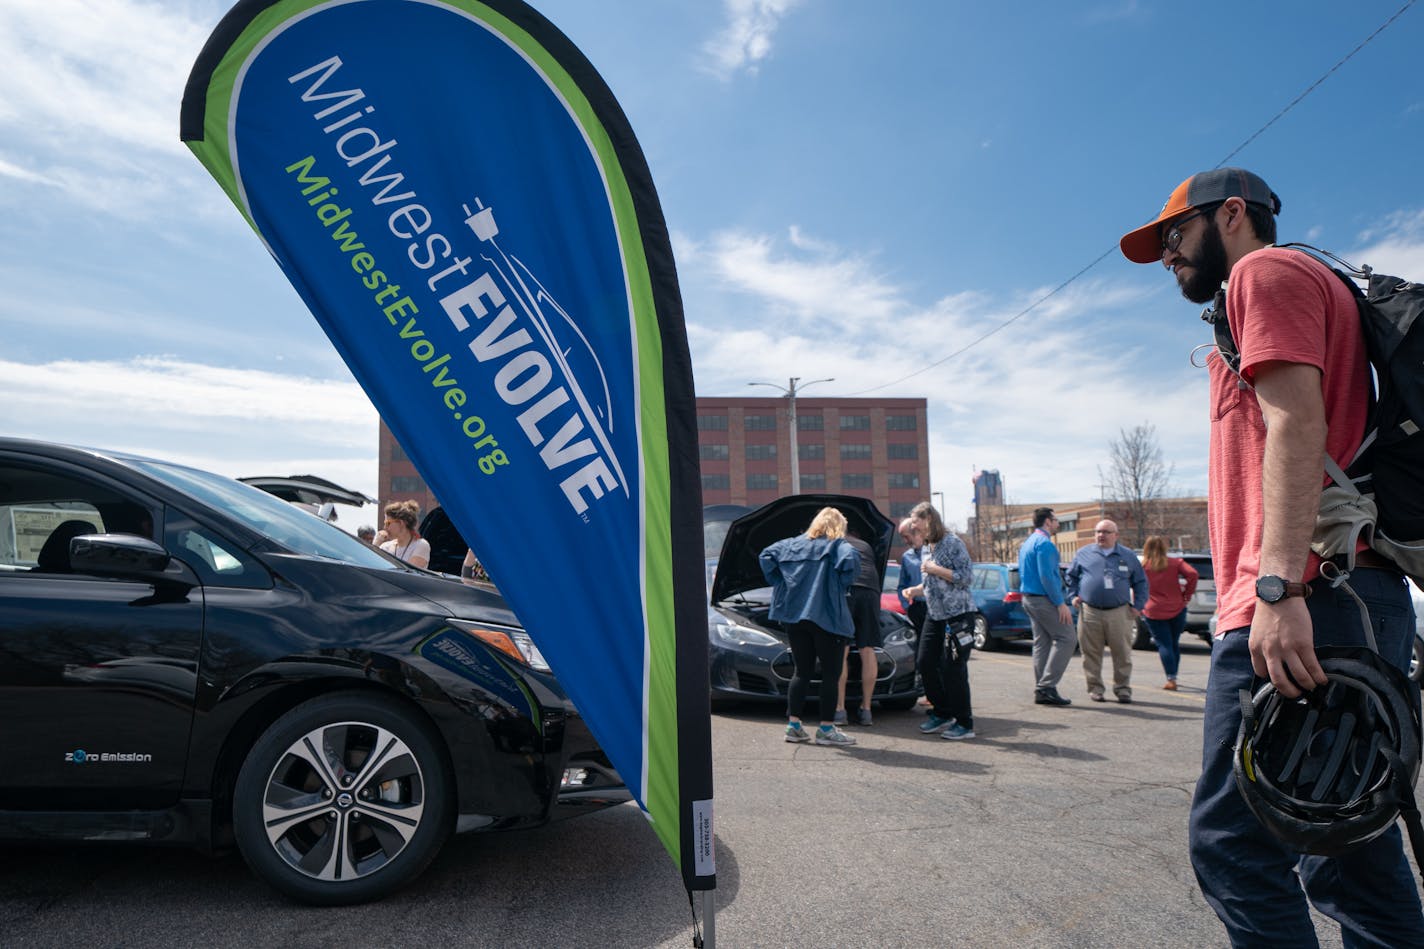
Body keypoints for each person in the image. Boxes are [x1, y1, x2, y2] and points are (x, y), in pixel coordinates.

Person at [1121, 167, 1424, 946]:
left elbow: (1296, 424)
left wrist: (1277, 585)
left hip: (1309, 596)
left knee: (1235, 846)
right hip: (1341, 595)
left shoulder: (1266, 271)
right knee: (1342, 847)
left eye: (1175, 236)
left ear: (1231, 215)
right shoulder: (1282, 289)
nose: (1168, 258)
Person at [759, 506, 859, 747]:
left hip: (795, 616)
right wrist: (840, 583)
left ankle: (794, 726)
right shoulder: (838, 545)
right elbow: (851, 561)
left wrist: (780, 582)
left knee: (801, 672)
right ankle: (826, 729)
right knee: (831, 675)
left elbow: (765, 555)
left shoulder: (791, 544)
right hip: (827, 618)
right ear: (838, 526)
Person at [902, 501, 976, 739]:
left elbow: (965, 577)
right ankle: (942, 712)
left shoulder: (952, 543)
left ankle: (964, 723)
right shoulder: (926, 546)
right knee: (924, 662)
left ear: (929, 520)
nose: (914, 529)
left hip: (958, 615)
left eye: (916, 523)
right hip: (935, 615)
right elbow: (933, 583)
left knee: (954, 669)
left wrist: (935, 569)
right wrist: (915, 590)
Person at [1065, 519, 1148, 703]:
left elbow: (1141, 582)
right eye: (1098, 532)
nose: (1101, 535)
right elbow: (1071, 577)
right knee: (1091, 653)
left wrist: (1138, 606)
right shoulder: (1084, 553)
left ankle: (1123, 689)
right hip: (1090, 611)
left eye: (1106, 532)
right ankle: (1095, 688)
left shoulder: (1127, 556)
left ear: (1116, 535)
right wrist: (1073, 596)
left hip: (1119, 612)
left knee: (1122, 653)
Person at [1018, 507, 1074, 706]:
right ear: (1048, 522)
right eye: (1056, 520)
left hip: (1029, 598)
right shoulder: (1045, 544)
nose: (1058, 523)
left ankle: (1043, 689)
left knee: (1042, 642)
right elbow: (1047, 576)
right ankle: (1046, 686)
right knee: (1067, 637)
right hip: (1043, 599)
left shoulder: (1028, 543)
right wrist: (1060, 604)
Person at [834, 528, 881, 726]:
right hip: (870, 591)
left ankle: (840, 710)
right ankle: (867, 709)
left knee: (841, 650)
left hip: (847, 591)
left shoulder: (833, 543)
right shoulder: (866, 546)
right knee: (867, 649)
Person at [1139, 536, 1198, 691]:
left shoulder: (1144, 566)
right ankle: (1173, 676)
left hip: (1153, 609)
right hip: (1177, 607)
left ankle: (1171, 678)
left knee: (1163, 644)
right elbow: (1193, 574)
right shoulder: (1175, 563)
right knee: (1173, 643)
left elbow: (1135, 583)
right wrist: (1187, 594)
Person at [378, 500, 430, 569]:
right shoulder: (385, 547)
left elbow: (409, 573)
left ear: (401, 523)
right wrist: (376, 543)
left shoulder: (421, 545)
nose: (385, 527)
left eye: (388, 523)